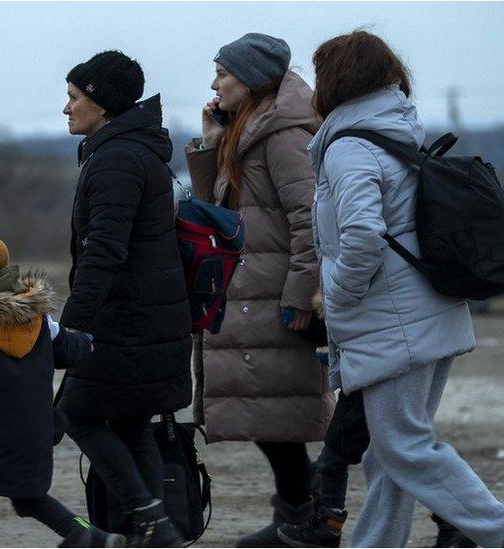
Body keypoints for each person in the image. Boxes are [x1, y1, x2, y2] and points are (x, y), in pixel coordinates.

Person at [287, 30, 504, 548]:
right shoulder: (394, 129)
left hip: (394, 320)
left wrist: (337, 294)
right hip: (425, 311)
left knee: (402, 447)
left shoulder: (349, 146)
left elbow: (361, 235)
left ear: (337, 79)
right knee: (390, 449)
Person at [184, 33, 333, 547]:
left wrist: (300, 295)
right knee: (267, 413)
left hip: (273, 298)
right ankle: (301, 516)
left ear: (248, 79)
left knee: (276, 416)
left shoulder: (283, 135)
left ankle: (304, 517)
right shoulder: (247, 130)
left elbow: (311, 220)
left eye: (221, 73)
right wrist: (210, 145)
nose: (213, 82)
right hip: (249, 295)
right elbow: (218, 218)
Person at [59, 50, 193, 547]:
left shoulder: (116, 159)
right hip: (150, 317)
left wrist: (71, 327)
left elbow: (104, 252)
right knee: (133, 423)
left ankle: (151, 525)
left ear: (102, 102)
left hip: (127, 321)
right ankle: (154, 532)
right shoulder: (134, 151)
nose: (66, 108)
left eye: (74, 97)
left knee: (76, 413)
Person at [0, 231, 123, 548]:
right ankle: (87, 535)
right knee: (29, 497)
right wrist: (86, 342)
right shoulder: (38, 319)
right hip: (36, 428)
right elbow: (68, 351)